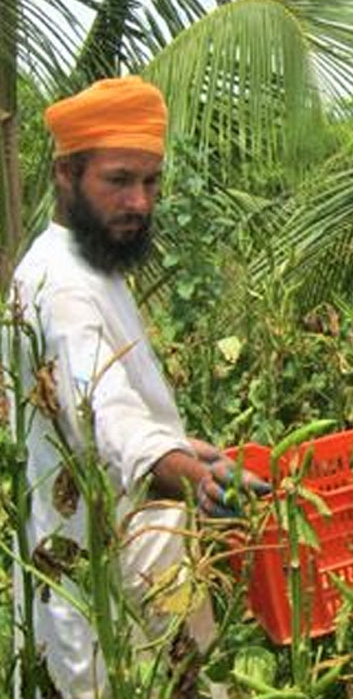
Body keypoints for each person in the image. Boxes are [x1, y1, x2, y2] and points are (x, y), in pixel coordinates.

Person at [3, 77, 263, 698]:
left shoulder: (93, 262)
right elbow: (106, 417)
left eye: (150, 181)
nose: (140, 202)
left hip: (143, 558)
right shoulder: (61, 286)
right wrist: (196, 479)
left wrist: (187, 449)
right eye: (118, 180)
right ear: (65, 174)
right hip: (94, 575)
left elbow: (104, 400)